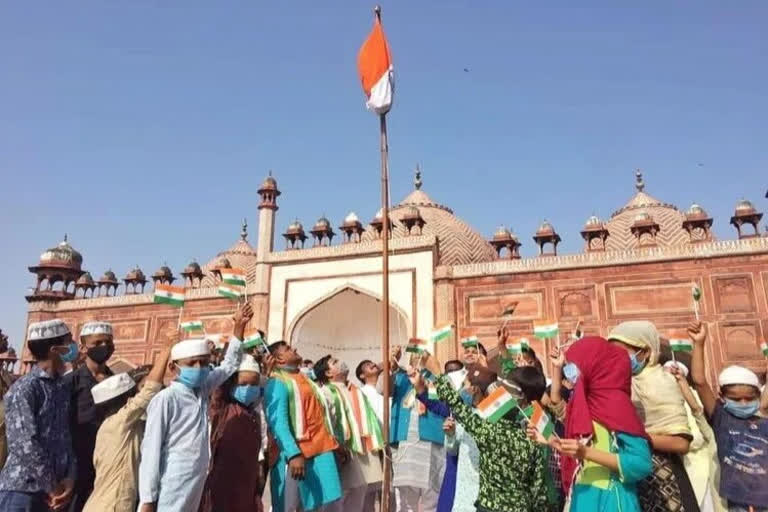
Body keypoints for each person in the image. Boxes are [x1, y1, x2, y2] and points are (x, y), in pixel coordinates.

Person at [137, 302, 250, 512]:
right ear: (174, 367)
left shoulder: (202, 389)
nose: (199, 368)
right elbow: (151, 451)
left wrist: (239, 328)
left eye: (204, 363)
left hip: (196, 477)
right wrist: (148, 498)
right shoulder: (166, 399)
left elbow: (229, 365)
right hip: (172, 480)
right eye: (192, 363)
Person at [530, 336, 653, 512]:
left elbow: (640, 463)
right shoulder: (585, 402)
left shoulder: (617, 405)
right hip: (583, 495)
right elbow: (562, 411)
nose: (573, 374)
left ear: (596, 365)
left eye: (576, 366)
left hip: (611, 499)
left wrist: (586, 452)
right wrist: (550, 441)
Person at [418, 352, 549, 512]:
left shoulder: (488, 431)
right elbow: (539, 494)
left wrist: (438, 373)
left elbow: (457, 405)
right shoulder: (534, 438)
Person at [609, 320, 699, 512]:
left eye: (622, 353)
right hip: (626, 473)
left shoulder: (663, 382)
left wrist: (634, 438)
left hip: (662, 477)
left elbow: (681, 443)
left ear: (646, 351)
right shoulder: (619, 383)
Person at [690, 321, 768, 512]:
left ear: (758, 396)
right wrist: (699, 344)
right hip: (738, 503)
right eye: (736, 398)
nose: (743, 403)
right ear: (722, 398)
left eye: (749, 398)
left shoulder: (762, 416)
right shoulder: (721, 418)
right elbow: (700, 382)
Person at [0, 319, 77, 512]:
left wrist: (70, 477)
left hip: (53, 494)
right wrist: (53, 485)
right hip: (23, 490)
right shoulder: (26, 388)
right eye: (68, 342)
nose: (73, 348)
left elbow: (65, 437)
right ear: (54, 349)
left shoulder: (61, 387)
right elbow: (24, 444)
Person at [82, 346, 170, 512]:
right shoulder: (120, 423)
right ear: (126, 399)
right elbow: (150, 390)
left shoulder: (109, 427)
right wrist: (167, 350)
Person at [265, 341, 342, 512]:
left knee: (326, 504)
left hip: (322, 449)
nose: (295, 350)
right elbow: (278, 423)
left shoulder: (305, 379)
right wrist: (293, 454)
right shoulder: (277, 382)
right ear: (279, 359)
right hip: (296, 456)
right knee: (291, 507)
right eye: (288, 350)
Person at [315, 355, 383, 512]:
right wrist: (336, 447)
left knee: (358, 497)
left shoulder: (356, 391)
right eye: (334, 363)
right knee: (337, 499)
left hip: (361, 452)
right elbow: (325, 424)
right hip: (341, 452)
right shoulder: (325, 393)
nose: (341, 362)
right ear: (328, 374)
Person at [199, 354, 265, 512]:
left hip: (247, 483)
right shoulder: (222, 408)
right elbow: (220, 384)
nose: (249, 388)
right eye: (243, 383)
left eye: (254, 384)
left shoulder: (254, 415)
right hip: (223, 482)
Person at [64, 321, 115, 512]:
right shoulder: (71, 382)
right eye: (98, 343)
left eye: (108, 342)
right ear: (84, 347)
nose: (104, 347)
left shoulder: (118, 383)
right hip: (77, 464)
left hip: (106, 464)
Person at [389, 345, 446, 512]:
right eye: (414, 355)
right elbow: (381, 388)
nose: (418, 357)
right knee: (407, 500)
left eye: (423, 355)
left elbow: (443, 402)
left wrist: (436, 372)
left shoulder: (437, 379)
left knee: (431, 495)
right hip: (406, 443)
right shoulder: (400, 377)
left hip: (431, 441)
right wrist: (391, 365)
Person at [664, 361, 726, 512]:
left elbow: (696, 437)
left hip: (699, 468)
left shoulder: (694, 400)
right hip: (674, 469)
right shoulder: (659, 400)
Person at [437, 364, 495, 512]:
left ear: (475, 389)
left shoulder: (492, 419)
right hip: (463, 495)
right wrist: (450, 435)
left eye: (465, 384)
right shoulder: (465, 416)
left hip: (484, 496)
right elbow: (452, 450)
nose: (462, 389)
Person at [357, 359, 384, 424]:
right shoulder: (360, 393)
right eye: (368, 365)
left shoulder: (385, 391)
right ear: (362, 375)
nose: (374, 364)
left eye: (373, 363)